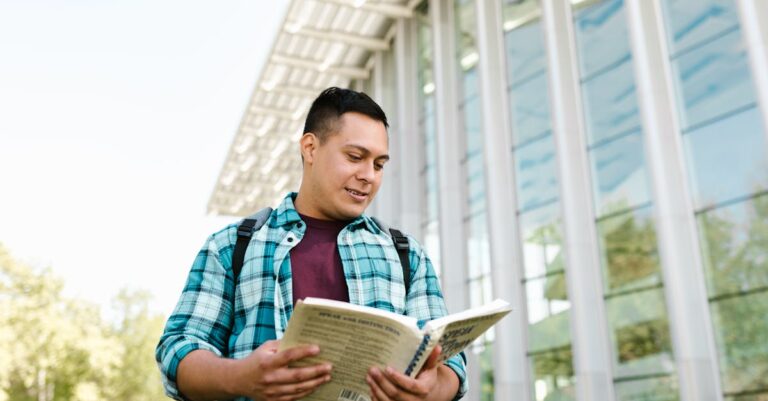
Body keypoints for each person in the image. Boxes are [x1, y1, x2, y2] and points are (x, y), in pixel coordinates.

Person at [155, 87, 467, 401]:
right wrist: (241, 377)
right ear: (310, 148)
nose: (368, 175)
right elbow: (178, 349)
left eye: (379, 164)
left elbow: (449, 366)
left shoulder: (406, 255)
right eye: (355, 157)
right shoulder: (232, 246)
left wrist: (430, 390)